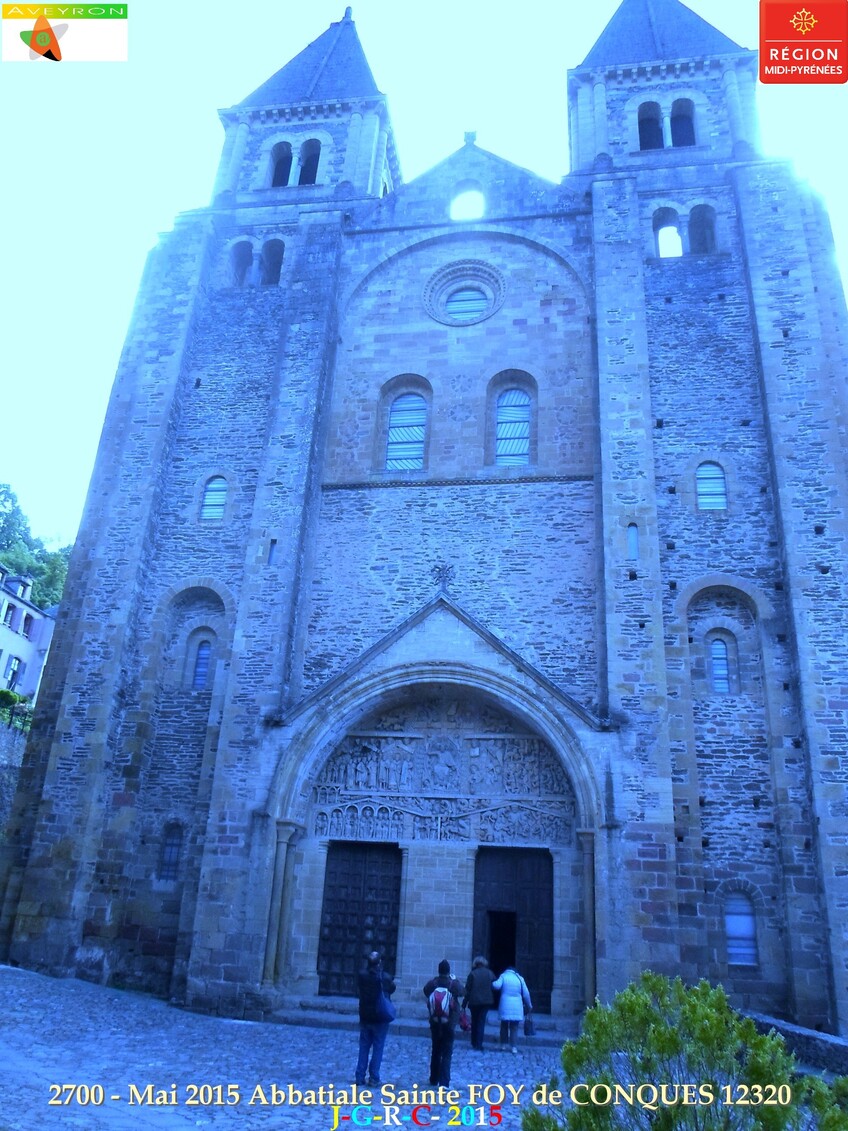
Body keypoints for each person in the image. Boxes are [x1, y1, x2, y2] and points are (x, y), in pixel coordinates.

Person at [356, 950, 396, 1086]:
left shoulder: (362, 975)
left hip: (365, 1016)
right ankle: (374, 1077)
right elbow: (391, 988)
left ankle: (359, 1076)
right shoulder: (384, 978)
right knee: (378, 1047)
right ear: (379, 962)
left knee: (364, 1046)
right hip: (380, 1017)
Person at [422, 959, 463, 1086]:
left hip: (435, 1021)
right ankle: (444, 1082)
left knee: (435, 1050)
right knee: (447, 1052)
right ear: (448, 970)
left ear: (439, 970)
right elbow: (463, 992)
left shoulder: (433, 983)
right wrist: (455, 980)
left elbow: (425, 991)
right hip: (449, 1023)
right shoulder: (453, 984)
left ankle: (433, 1078)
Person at [492, 965, 531, 1053]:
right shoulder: (520, 979)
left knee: (504, 1026)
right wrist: (529, 1005)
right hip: (517, 1005)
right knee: (514, 1027)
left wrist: (492, 982)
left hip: (505, 1004)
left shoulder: (503, 976)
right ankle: (514, 1047)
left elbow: (496, 986)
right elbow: (526, 994)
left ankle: (503, 1045)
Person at [462, 955, 496, 1051]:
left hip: (474, 1001)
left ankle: (473, 1042)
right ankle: (479, 1044)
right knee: (481, 1022)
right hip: (486, 1001)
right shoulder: (490, 973)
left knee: (474, 1022)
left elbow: (467, 990)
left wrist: (464, 1004)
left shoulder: (472, 974)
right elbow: (494, 986)